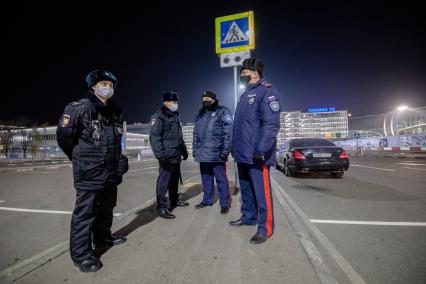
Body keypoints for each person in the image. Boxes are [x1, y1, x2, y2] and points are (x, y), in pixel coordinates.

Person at [56, 70, 129, 272]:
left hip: (111, 171)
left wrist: (120, 161)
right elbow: (64, 137)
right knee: (85, 214)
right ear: (93, 86)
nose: (108, 87)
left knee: (107, 208)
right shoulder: (80, 108)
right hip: (90, 171)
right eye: (103, 83)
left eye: (111, 84)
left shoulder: (114, 112)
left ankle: (103, 238)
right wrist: (80, 158)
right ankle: (81, 255)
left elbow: (116, 141)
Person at [229, 58, 281, 244]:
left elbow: (271, 124)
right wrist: (234, 149)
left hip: (257, 154)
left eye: (244, 72)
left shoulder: (267, 91)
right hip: (243, 153)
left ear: (255, 73)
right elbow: (240, 126)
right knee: (246, 189)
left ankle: (265, 228)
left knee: (262, 192)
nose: (242, 75)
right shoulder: (245, 95)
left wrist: (261, 149)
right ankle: (248, 216)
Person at [149, 92, 189, 219]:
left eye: (176, 102)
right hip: (166, 156)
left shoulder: (176, 116)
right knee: (163, 183)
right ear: (165, 102)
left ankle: (174, 200)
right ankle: (161, 207)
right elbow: (155, 137)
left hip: (176, 154)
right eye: (173, 102)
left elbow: (179, 136)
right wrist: (160, 155)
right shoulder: (159, 116)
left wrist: (184, 150)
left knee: (174, 181)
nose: (175, 104)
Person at [193, 91, 233, 214]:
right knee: (206, 179)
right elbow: (195, 134)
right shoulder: (200, 115)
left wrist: (225, 150)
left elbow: (228, 132)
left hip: (217, 153)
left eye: (208, 98)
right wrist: (195, 151)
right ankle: (207, 200)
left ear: (214, 99)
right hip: (203, 154)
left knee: (221, 179)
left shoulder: (223, 111)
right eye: (203, 98)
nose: (205, 100)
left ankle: (224, 203)